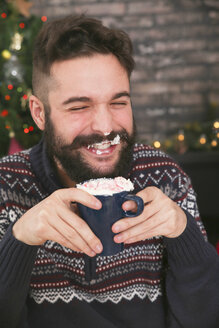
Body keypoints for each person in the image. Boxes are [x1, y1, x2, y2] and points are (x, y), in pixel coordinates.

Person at [0, 14, 218, 328]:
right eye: (79, 107)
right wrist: (20, 239)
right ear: (39, 113)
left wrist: (185, 236)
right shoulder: (6, 187)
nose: (105, 128)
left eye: (118, 102)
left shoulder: (166, 177)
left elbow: (204, 318)